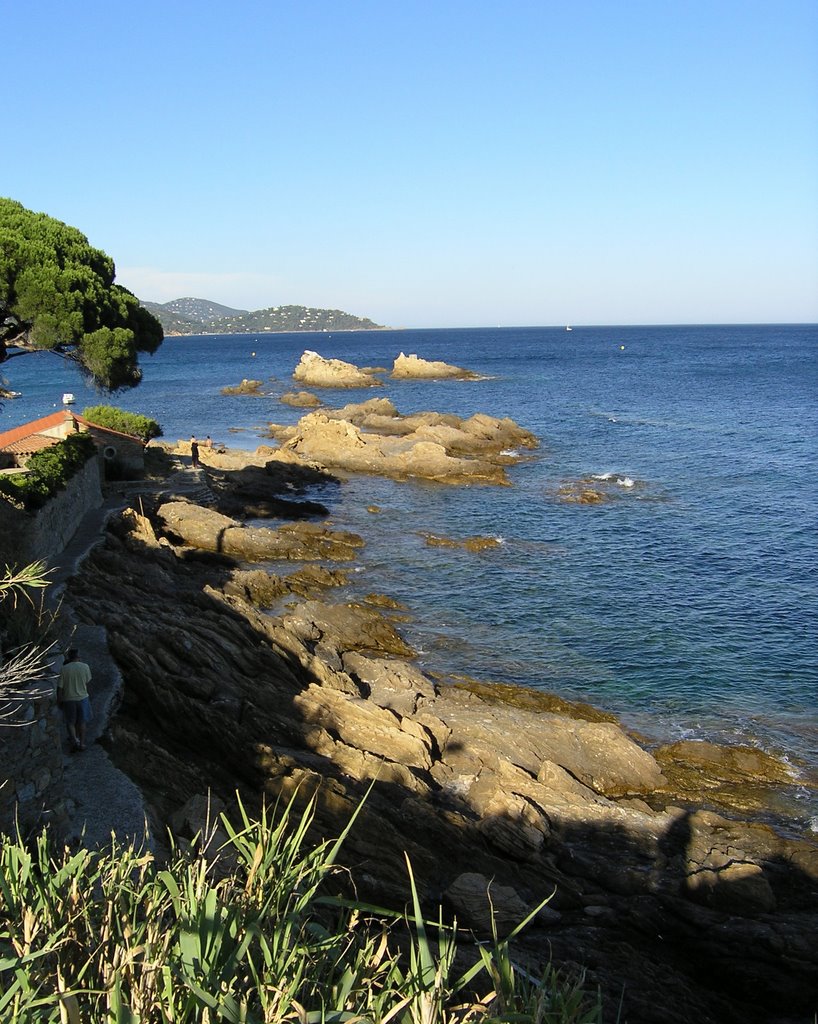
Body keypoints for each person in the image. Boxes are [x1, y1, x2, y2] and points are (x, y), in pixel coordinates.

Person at [57, 648, 92, 752]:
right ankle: (81, 744)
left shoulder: (64, 669)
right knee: (82, 722)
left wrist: (59, 700)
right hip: (83, 698)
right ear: (78, 657)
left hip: (69, 699)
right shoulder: (85, 666)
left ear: (69, 657)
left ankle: (74, 741)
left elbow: (60, 688)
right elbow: (87, 681)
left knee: (70, 722)